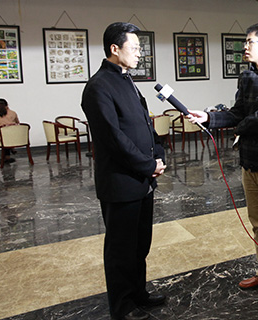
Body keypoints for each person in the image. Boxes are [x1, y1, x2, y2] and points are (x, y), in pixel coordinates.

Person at [188, 22, 258, 304]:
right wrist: (209, 118)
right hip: (250, 161)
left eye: (250, 42)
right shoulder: (247, 76)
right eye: (245, 42)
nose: (244, 47)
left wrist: (239, 128)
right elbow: (238, 112)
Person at [81, 22, 167, 320]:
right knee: (120, 250)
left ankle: (138, 293)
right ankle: (122, 307)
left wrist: (158, 153)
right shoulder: (98, 86)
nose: (140, 53)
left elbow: (144, 123)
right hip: (120, 183)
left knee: (140, 245)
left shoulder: (127, 80)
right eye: (135, 48)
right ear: (114, 48)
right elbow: (113, 138)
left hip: (142, 179)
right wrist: (147, 164)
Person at [0, 98, 20, 163]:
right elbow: (17, 123)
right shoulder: (13, 113)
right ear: (7, 105)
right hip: (14, 136)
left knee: (2, 137)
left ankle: (6, 157)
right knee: (8, 136)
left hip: (2, 137)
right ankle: (10, 152)